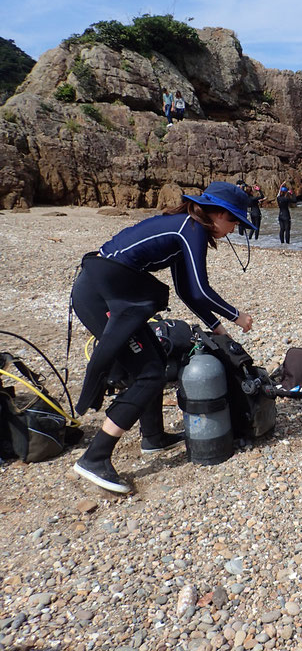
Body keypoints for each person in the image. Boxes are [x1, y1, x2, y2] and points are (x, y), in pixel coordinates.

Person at [70, 182, 255, 493]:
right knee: (150, 373)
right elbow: (200, 289)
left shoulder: (187, 228)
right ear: (220, 214)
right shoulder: (191, 230)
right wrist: (237, 315)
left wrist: (218, 328)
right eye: (235, 221)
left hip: (114, 294)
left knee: (154, 358)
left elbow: (186, 291)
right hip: (100, 296)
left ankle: (153, 437)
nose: (234, 228)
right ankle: (95, 456)